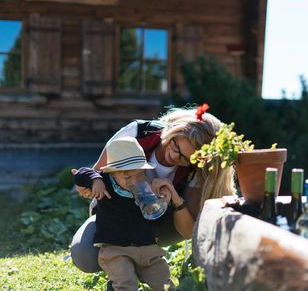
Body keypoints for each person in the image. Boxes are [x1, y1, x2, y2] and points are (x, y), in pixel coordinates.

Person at [70, 106, 236, 273]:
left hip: (157, 224)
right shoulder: (138, 133)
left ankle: (139, 260)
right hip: (114, 215)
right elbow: (97, 173)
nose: (174, 156)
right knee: (85, 255)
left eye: (185, 158)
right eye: (175, 145)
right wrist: (89, 184)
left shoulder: (196, 169)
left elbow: (188, 231)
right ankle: (126, 261)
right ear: (173, 130)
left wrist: (174, 198)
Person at [74, 136, 174, 291]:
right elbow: (81, 174)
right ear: (113, 173)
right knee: (125, 282)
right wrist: (96, 180)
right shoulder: (105, 184)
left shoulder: (145, 189)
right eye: (127, 176)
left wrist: (162, 204)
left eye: (139, 174)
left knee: (163, 281)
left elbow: (156, 221)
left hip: (146, 248)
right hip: (115, 249)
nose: (134, 180)